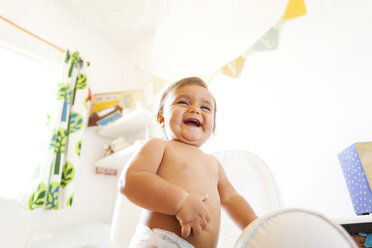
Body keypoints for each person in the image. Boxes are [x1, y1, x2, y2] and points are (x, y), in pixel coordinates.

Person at [119, 77, 257, 248]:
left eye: (205, 107)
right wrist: (180, 201)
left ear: (212, 125)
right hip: (160, 242)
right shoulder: (160, 146)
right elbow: (131, 181)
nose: (194, 109)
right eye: (183, 103)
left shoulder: (214, 164)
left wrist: (257, 227)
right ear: (161, 118)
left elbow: (231, 198)